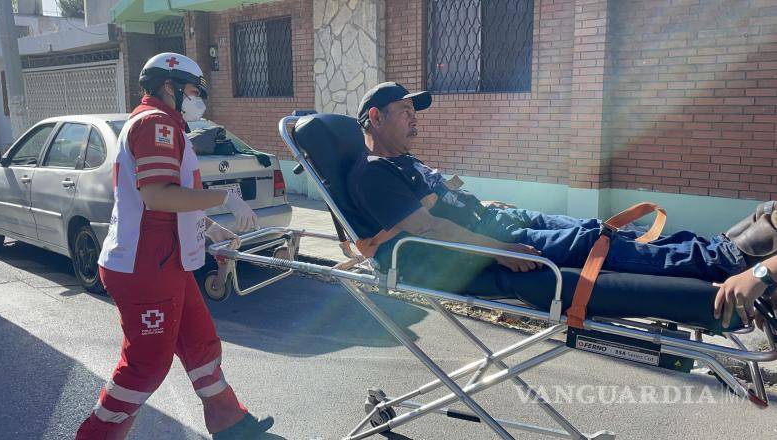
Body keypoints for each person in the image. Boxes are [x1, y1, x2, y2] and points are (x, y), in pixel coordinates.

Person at [348, 81, 777, 330]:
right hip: (490, 245)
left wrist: (491, 206)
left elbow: (444, 201)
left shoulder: (404, 161)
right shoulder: (373, 174)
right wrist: (499, 250)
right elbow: (427, 228)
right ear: (375, 117)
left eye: (413, 111)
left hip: (502, 220)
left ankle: (716, 249)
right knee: (592, 242)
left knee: (599, 231)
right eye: (404, 111)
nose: (414, 118)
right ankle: (725, 258)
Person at [76, 53, 273, 439]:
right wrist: (224, 198)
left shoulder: (163, 124)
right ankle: (95, 435)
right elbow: (158, 195)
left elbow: (175, 202)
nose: (199, 98)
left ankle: (230, 423)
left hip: (165, 261)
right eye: (194, 90)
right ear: (170, 87)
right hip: (145, 266)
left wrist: (212, 230)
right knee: (146, 364)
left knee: (200, 344)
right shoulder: (155, 125)